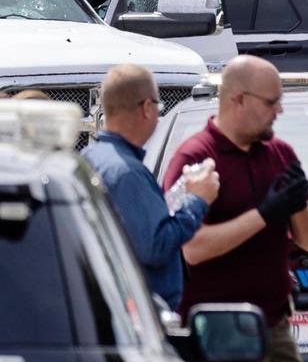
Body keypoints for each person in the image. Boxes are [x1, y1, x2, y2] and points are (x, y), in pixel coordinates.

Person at [164, 55, 308, 362]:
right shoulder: (195, 159)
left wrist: (298, 207)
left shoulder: (280, 153)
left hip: (274, 328)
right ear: (238, 99)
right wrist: (265, 215)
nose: (280, 110)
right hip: (215, 335)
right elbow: (191, 247)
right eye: (272, 102)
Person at [82, 64, 220, 309]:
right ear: (146, 108)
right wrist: (197, 201)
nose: (157, 113)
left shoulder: (91, 157)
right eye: (158, 107)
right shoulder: (127, 173)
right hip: (144, 313)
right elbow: (155, 246)